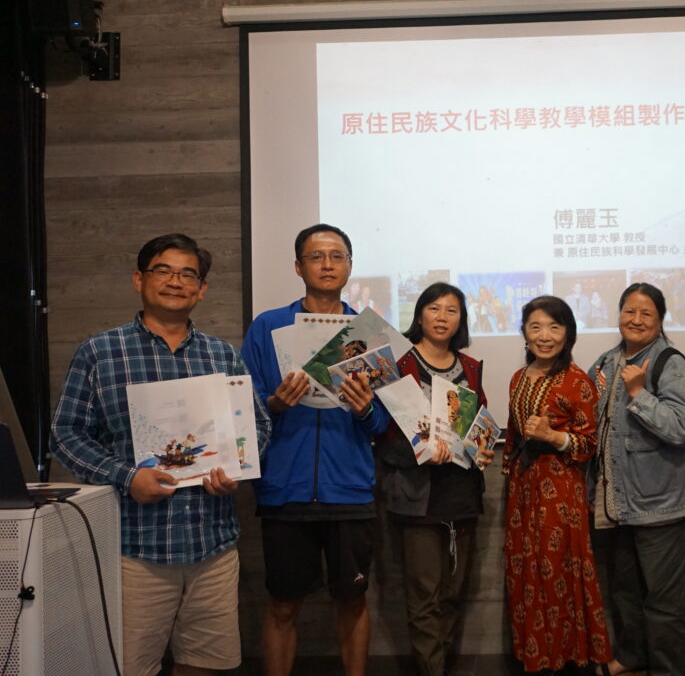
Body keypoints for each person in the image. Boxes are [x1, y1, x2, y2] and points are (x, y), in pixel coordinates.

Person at [50, 233, 271, 676]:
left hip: (213, 545)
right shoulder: (100, 353)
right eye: (163, 271)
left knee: (205, 664)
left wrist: (236, 467)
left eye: (188, 274)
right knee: (132, 666)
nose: (175, 281)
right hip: (135, 548)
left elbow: (258, 427)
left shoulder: (223, 356)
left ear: (202, 289)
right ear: (139, 279)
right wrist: (127, 476)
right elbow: (66, 434)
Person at [241, 223, 391, 676]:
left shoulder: (370, 332)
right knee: (283, 604)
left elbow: (384, 423)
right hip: (284, 488)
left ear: (350, 266)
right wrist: (274, 404)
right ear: (298, 266)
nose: (327, 265)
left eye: (337, 256)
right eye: (316, 256)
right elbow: (242, 408)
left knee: (353, 600)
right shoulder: (268, 326)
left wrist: (365, 409)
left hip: (350, 488)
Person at [588, 283, 685, 676]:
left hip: (664, 506)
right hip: (619, 505)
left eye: (646, 313)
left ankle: (667, 669)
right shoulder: (605, 363)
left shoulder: (669, 363)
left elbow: (683, 427)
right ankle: (632, 656)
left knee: (664, 604)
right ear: (619, 314)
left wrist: (639, 394)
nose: (636, 319)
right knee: (625, 592)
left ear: (660, 321)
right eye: (630, 311)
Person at [377, 282, 496, 676]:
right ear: (419, 314)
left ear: (461, 319)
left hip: (462, 494)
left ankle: (437, 666)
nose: (442, 317)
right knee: (424, 597)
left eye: (451, 310)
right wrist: (420, 451)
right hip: (418, 495)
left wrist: (483, 448)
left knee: (452, 594)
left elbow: (478, 424)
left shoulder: (471, 367)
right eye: (434, 308)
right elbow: (384, 434)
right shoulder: (399, 362)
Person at [503, 296, 611, 674]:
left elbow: (590, 444)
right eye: (535, 327)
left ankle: (568, 659)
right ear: (524, 332)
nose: (544, 336)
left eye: (554, 327)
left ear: (568, 333)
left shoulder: (578, 380)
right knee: (525, 572)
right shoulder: (518, 377)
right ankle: (538, 658)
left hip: (561, 490)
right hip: (522, 490)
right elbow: (513, 436)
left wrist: (553, 437)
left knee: (558, 571)